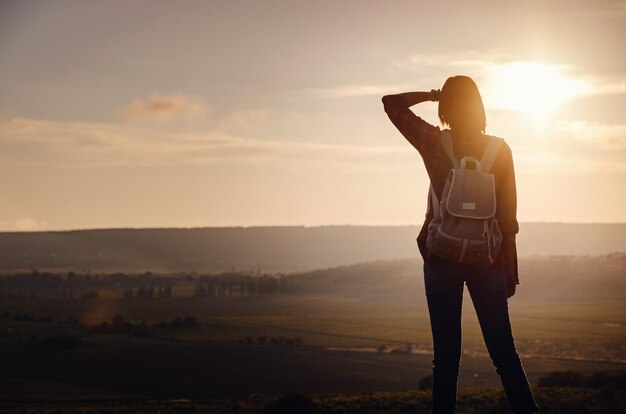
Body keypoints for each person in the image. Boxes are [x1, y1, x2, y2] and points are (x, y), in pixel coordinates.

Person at [382, 76, 538, 414]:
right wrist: (510, 270)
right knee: (504, 355)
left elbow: (390, 103)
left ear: (446, 107)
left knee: (446, 359)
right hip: (489, 260)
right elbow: (507, 218)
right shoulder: (500, 149)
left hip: (442, 258)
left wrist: (432, 95)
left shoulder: (433, 141)